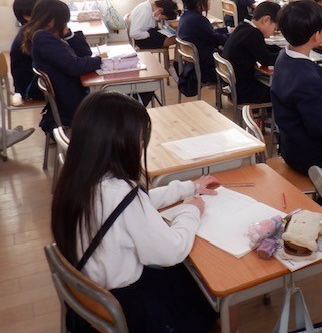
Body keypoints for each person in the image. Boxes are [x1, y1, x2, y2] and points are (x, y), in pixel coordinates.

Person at [51, 91, 220, 333]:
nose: (141, 146)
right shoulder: (122, 194)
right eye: (139, 140)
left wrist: (189, 188)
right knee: (205, 292)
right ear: (118, 144)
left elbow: (136, 203)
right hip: (128, 307)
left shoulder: (79, 179)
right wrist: (191, 210)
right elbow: (172, 250)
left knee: (187, 280)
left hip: (93, 298)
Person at [270, 0, 322, 205]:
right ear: (317, 35)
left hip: (290, 146)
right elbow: (320, 127)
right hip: (311, 153)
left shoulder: (283, 58)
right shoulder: (308, 76)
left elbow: (313, 97)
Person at [21, 0, 102, 133]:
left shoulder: (44, 36)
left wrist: (69, 35)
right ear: (51, 21)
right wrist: (101, 60)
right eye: (64, 21)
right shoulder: (43, 39)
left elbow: (85, 54)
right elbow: (74, 66)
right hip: (72, 102)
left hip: (69, 97)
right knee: (119, 99)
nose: (65, 25)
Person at [221, 0, 281, 104]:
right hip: (243, 91)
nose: (272, 33)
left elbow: (263, 48)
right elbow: (267, 60)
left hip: (234, 87)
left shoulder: (243, 27)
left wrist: (281, 49)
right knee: (280, 93)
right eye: (274, 29)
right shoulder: (253, 34)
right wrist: (285, 54)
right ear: (266, 20)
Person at [176, 0, 229, 85]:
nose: (209, 2)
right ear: (198, 1)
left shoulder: (186, 16)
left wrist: (228, 30)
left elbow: (209, 33)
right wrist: (233, 36)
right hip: (206, 68)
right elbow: (217, 40)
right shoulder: (199, 20)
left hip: (192, 66)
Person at [10, 0, 44, 101]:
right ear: (27, 16)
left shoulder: (29, 31)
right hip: (31, 88)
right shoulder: (31, 36)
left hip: (32, 84)